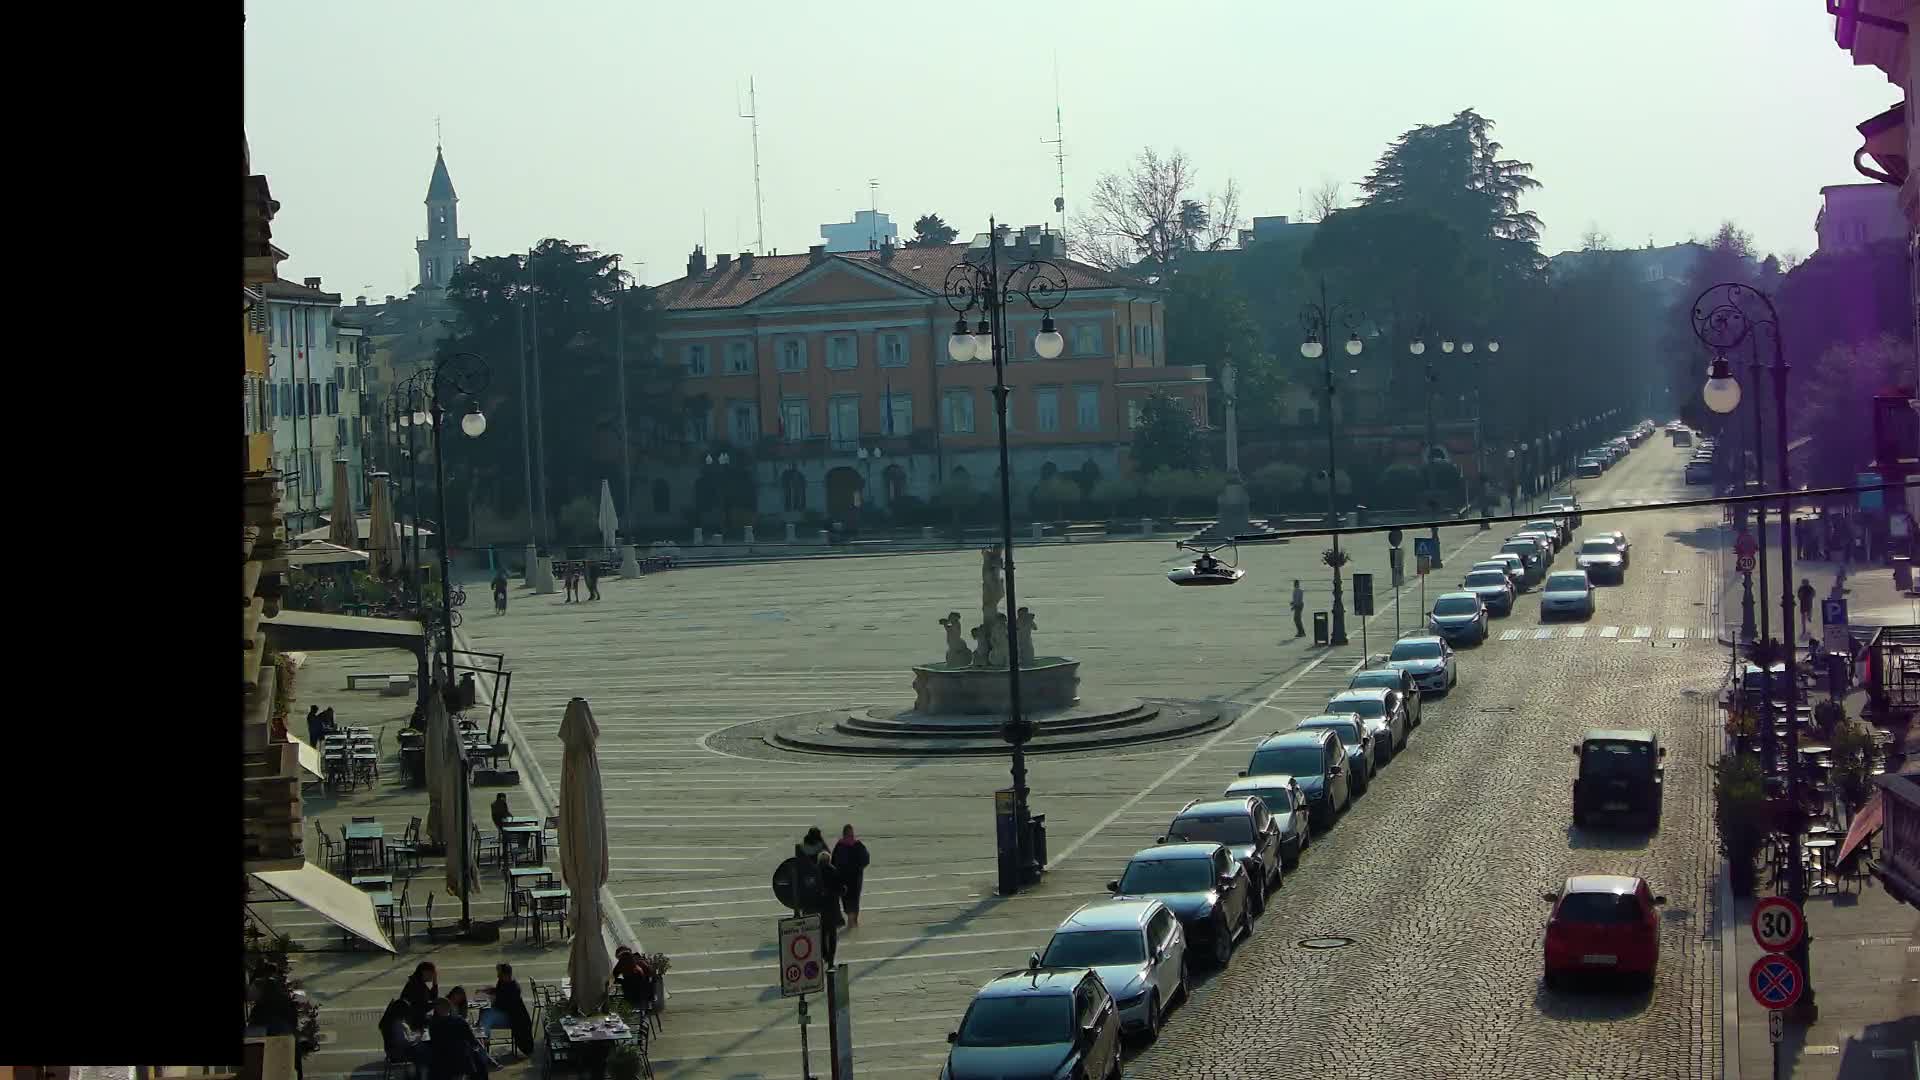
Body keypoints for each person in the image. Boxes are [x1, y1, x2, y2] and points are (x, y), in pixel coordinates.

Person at [426, 994, 493, 1080]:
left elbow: (434, 1042)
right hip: (461, 1061)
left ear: (438, 1009)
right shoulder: (460, 1021)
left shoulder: (433, 1024)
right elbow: (472, 1040)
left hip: (441, 1061)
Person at [811, 849, 846, 967]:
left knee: (821, 932)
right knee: (832, 934)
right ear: (829, 860)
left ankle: (824, 955)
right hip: (832, 908)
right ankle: (831, 958)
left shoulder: (815, 872)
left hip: (818, 908)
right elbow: (841, 889)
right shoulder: (833, 871)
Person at [832, 824, 871, 929]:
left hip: (844, 877)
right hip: (855, 878)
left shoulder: (839, 846)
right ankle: (853, 919)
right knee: (854, 898)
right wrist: (859, 867)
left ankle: (850, 917)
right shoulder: (858, 845)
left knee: (846, 898)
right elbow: (866, 860)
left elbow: (833, 862)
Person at [379, 997, 432, 1072]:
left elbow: (403, 1039)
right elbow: (403, 1043)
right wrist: (418, 1038)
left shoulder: (393, 1021)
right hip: (400, 1054)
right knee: (429, 1051)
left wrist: (415, 1035)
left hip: (396, 1052)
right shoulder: (397, 1024)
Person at [399, 962, 438, 1029]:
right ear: (424, 972)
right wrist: (435, 1005)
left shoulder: (424, 982)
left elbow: (433, 997)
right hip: (413, 1020)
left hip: (418, 1016)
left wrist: (435, 983)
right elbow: (421, 1005)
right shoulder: (415, 985)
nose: (433, 975)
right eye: (432, 973)